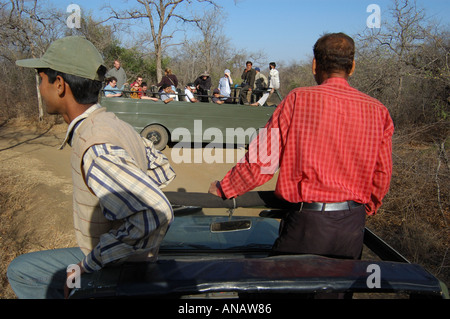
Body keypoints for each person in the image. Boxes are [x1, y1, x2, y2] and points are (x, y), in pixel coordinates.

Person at [9, 36, 176, 299]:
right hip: (122, 257)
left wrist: (86, 266)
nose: (40, 87)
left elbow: (156, 212)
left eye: (41, 79)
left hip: (112, 266)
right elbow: (162, 168)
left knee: (20, 270)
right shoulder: (111, 122)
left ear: (60, 85)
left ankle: (81, 291)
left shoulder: (94, 146)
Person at [209, 33, 394, 262]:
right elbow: (382, 174)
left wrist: (225, 187)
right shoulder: (378, 111)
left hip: (307, 224)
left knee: (288, 286)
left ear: (315, 65)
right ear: (352, 67)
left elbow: (263, 160)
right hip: (352, 227)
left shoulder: (298, 99)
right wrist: (361, 210)